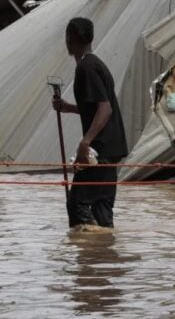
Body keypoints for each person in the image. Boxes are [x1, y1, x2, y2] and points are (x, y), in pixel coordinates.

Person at [52, 17, 128, 231]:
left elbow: (105, 109)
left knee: (77, 203)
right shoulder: (96, 64)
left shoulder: (86, 67)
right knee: (102, 208)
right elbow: (96, 108)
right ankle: (103, 254)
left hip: (99, 150)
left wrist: (85, 142)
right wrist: (69, 107)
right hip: (111, 148)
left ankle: (87, 257)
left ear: (70, 39)